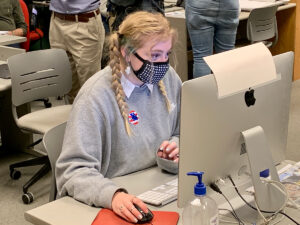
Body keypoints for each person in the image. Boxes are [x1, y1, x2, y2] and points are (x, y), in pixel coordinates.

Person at [56, 11, 181, 223]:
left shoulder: (169, 79)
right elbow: (72, 170)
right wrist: (112, 195)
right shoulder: (95, 97)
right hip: (115, 200)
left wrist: (174, 147)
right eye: (154, 55)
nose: (163, 63)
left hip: (156, 188)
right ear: (126, 52)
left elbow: (182, 131)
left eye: (166, 54)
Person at [49, 0, 105, 103]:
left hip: (84, 21)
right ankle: (74, 117)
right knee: (67, 84)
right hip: (56, 20)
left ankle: (91, 118)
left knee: (89, 87)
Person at [185, 0, 240, 78]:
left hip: (200, 5)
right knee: (227, 55)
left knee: (202, 58)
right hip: (229, 4)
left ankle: (204, 90)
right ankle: (228, 89)